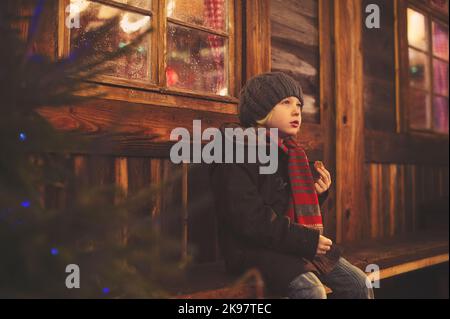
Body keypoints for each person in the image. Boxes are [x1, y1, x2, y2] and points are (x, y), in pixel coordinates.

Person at [209, 72, 374, 299]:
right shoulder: (233, 150)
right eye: (286, 102)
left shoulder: (290, 153)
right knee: (311, 290)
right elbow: (249, 219)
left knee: (359, 283)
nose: (296, 110)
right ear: (260, 109)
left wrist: (316, 194)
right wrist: (306, 241)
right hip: (251, 251)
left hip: (288, 245)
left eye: (298, 104)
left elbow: (284, 205)